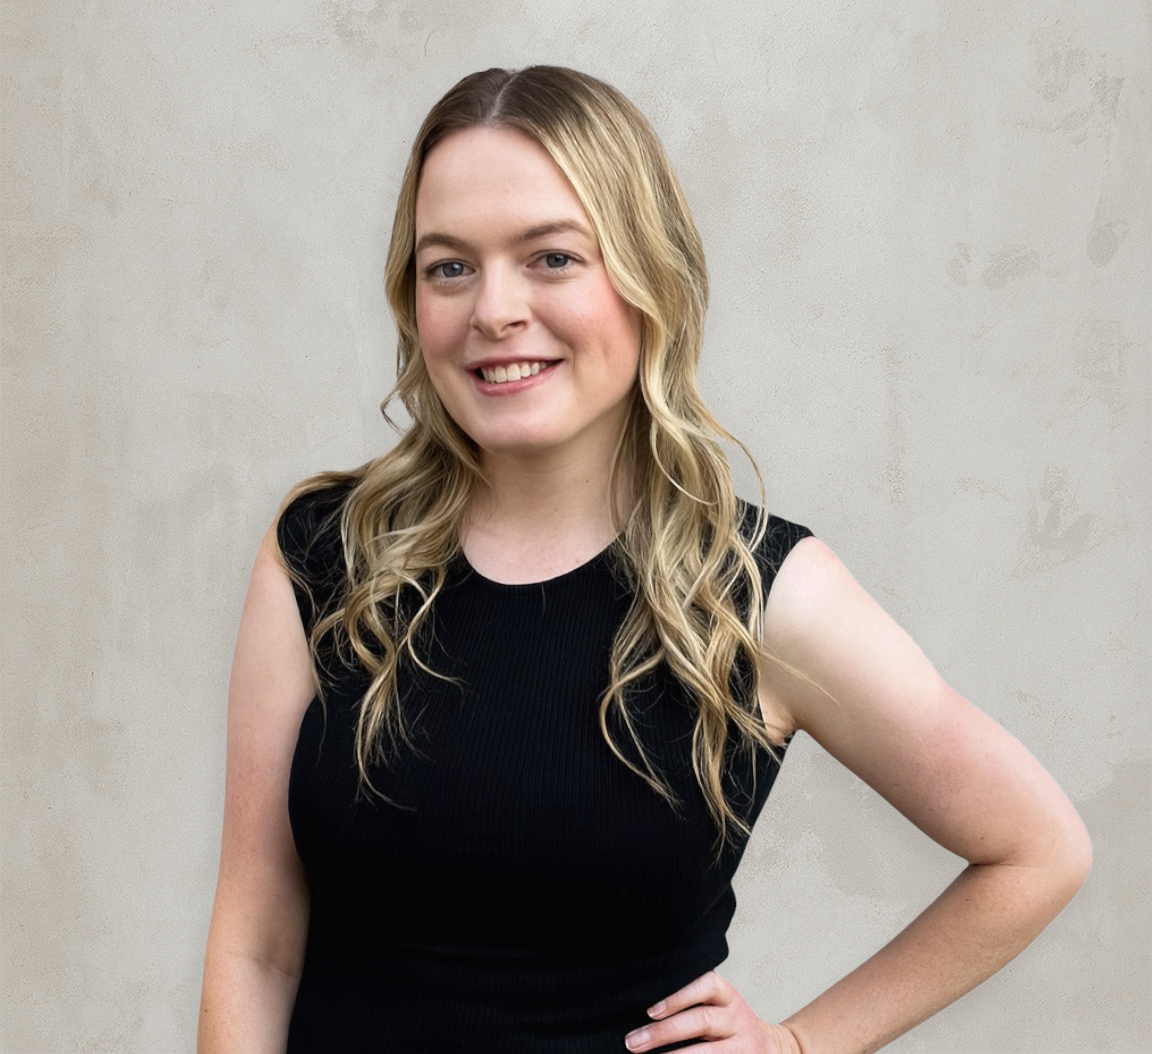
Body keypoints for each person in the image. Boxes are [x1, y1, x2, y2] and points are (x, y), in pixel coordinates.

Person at [197, 66, 1092, 1053]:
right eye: (449, 265)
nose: (494, 308)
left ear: (644, 274)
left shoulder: (757, 594)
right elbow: (257, 943)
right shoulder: (326, 555)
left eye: (550, 258)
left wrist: (799, 1043)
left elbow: (1037, 848)